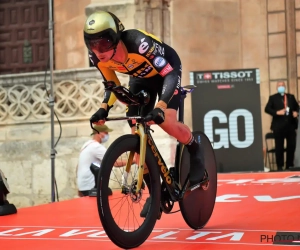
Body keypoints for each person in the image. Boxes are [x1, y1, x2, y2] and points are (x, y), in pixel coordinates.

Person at [83, 10, 205, 217]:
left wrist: (162, 105)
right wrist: (104, 108)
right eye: (92, 45)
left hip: (166, 72)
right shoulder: (97, 58)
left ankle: (195, 148)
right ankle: (155, 194)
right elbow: (111, 85)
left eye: (102, 44)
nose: (98, 50)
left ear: (114, 39)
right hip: (140, 78)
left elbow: (169, 73)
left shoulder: (139, 43)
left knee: (166, 121)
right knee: (136, 128)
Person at [265, 81, 299, 171]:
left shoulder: (291, 97)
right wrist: (277, 112)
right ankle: (279, 166)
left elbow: (297, 107)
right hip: (278, 126)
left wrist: (297, 112)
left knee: (291, 146)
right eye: (279, 86)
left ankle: (289, 165)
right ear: (277, 87)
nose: (281, 87)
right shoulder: (273, 98)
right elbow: (267, 109)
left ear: (285, 87)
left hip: (290, 126)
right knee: (279, 147)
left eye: (282, 85)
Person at [76, 124, 112, 197]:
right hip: (91, 186)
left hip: (83, 185)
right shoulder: (96, 147)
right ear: (99, 133)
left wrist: (79, 186)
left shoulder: (86, 145)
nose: (107, 135)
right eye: (106, 133)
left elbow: (78, 166)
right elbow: (115, 162)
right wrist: (133, 161)